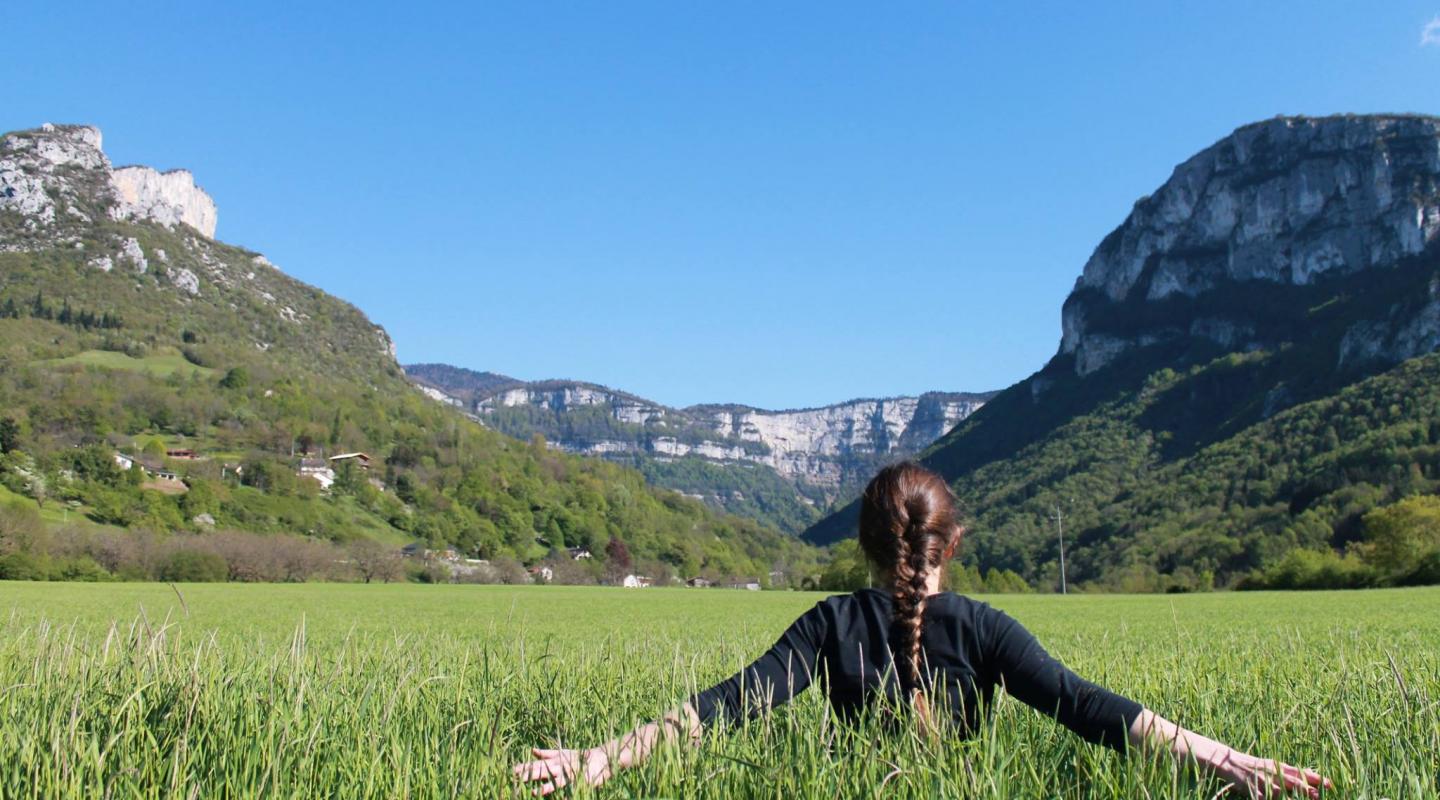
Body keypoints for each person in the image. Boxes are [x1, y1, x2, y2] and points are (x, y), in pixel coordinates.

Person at [513, 462, 1333, 798]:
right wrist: (1229, 760)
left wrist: (598, 761)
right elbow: (1091, 710)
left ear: (865, 544)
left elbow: (722, 707)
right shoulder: (986, 629)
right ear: (954, 544)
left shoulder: (831, 623)